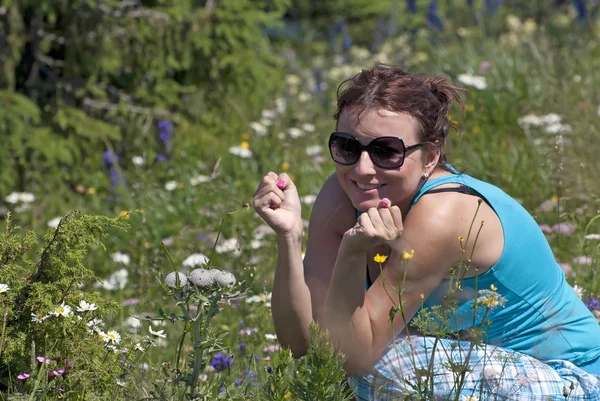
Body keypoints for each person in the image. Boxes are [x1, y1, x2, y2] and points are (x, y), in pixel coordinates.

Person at [252, 64, 600, 400]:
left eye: (386, 151)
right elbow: (301, 344)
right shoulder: (342, 193)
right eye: (347, 147)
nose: (362, 168)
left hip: (574, 379)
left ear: (431, 156)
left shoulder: (444, 213)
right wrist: (289, 237)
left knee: (391, 367)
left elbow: (354, 359)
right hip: (481, 373)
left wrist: (353, 252)